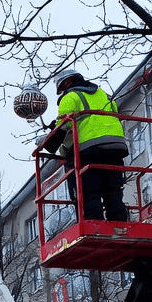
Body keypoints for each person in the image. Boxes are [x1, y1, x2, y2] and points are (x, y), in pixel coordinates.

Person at [45, 69, 130, 221]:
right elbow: (115, 114)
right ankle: (119, 224)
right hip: (116, 147)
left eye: (62, 87)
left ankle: (93, 225)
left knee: (89, 191)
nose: (63, 91)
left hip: (90, 150)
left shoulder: (70, 97)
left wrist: (52, 141)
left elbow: (64, 127)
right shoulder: (103, 94)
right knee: (113, 190)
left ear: (67, 82)